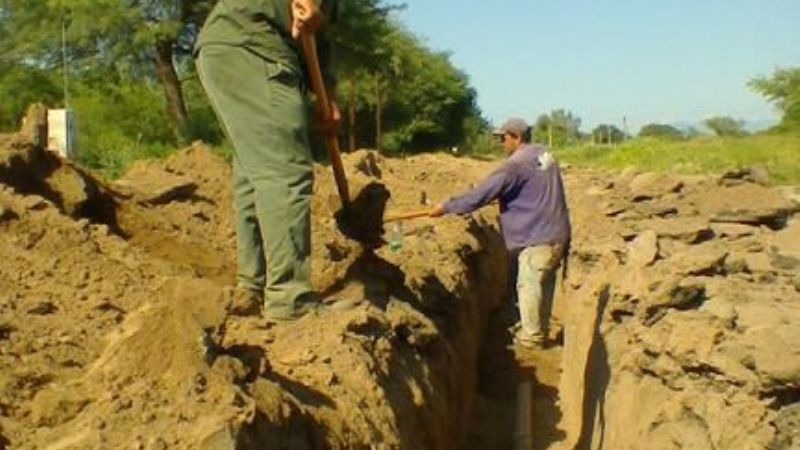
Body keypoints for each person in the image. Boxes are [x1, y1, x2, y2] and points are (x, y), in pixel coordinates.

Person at [195, 0, 339, 321]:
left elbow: (319, 38)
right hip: (254, 46)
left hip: (228, 46)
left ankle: (253, 286)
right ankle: (290, 299)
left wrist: (327, 96)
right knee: (284, 170)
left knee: (256, 171)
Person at [430, 118, 571, 348]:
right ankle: (540, 330)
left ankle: (533, 336)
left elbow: (478, 196)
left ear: (515, 137)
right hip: (557, 233)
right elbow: (533, 185)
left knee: (528, 284)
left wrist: (446, 207)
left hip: (537, 237)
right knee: (544, 283)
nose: (500, 143)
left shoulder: (513, 166)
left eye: (502, 138)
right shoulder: (544, 154)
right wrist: (509, 196)